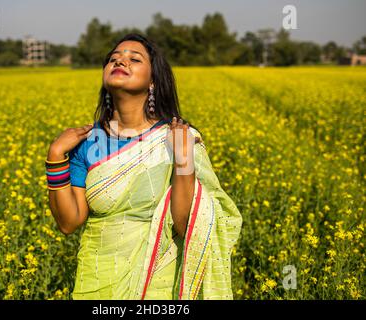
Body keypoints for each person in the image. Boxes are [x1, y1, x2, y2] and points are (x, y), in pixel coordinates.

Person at [45, 33, 242, 300]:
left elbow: (188, 227)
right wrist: (56, 155)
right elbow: (69, 223)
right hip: (99, 281)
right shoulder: (87, 144)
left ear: (153, 81)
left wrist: (184, 161)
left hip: (160, 286)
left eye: (134, 59)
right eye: (113, 59)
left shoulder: (177, 138)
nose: (120, 62)